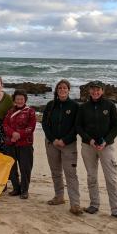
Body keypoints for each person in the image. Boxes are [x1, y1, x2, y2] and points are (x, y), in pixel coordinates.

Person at [76, 80, 117, 222]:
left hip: (106, 146)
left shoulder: (109, 106)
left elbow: (116, 126)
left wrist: (105, 141)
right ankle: (94, 205)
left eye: (98, 89)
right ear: (89, 91)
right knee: (91, 177)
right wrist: (90, 140)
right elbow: (79, 127)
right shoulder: (83, 107)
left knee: (111, 178)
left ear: (102, 91)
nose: (95, 92)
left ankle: (116, 210)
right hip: (88, 146)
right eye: (93, 89)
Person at [42, 79, 82, 215]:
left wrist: (65, 140)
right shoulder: (50, 105)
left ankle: (75, 204)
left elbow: (77, 126)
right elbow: (45, 124)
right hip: (51, 143)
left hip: (68, 145)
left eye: (65, 88)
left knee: (71, 174)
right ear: (56, 90)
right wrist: (53, 139)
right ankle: (59, 197)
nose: (62, 90)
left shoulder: (75, 106)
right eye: (60, 88)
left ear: (69, 90)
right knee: (56, 172)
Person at [3, 89, 36, 199]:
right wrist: (12, 134)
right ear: (14, 100)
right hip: (10, 143)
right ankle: (16, 189)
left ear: (25, 99)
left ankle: (24, 190)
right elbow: (5, 124)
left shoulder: (30, 111)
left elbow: (31, 127)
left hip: (25, 144)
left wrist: (19, 134)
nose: (20, 101)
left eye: (21, 99)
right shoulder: (10, 111)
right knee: (12, 167)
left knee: (25, 168)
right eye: (17, 99)